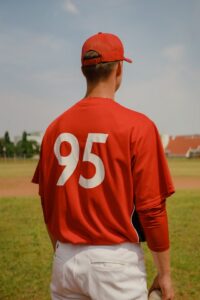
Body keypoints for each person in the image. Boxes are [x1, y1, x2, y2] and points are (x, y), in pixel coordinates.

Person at [32, 32, 176, 300]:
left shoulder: (54, 129)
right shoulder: (139, 126)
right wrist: (165, 274)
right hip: (115, 265)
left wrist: (63, 252)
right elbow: (152, 209)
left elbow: (47, 203)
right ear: (119, 68)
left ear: (83, 70)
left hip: (65, 261)